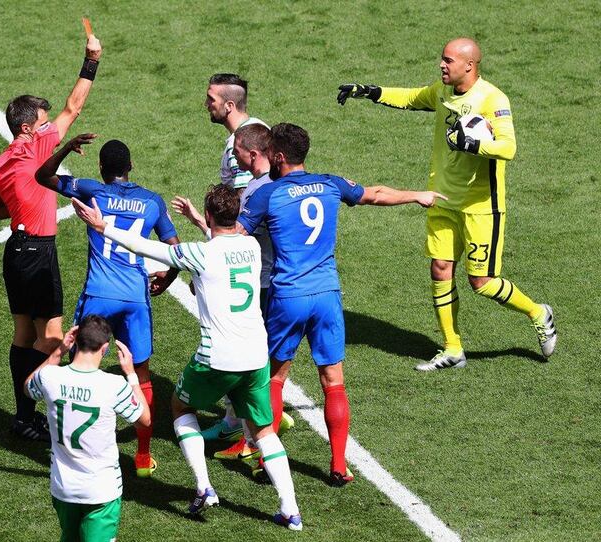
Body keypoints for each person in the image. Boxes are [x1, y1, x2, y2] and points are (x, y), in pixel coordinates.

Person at [72, 185, 303, 530]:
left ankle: (203, 486)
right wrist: (200, 221)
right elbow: (224, 243)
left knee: (180, 408)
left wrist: (104, 227)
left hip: (217, 357)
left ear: (211, 216)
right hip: (256, 356)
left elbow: (146, 246)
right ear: (236, 215)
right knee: (264, 429)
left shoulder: (199, 254)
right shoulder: (252, 247)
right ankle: (290, 509)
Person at [237, 122, 445, 486]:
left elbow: (233, 237)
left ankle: (266, 459)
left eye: (270, 153)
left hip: (288, 296)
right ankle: (338, 466)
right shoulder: (331, 183)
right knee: (333, 382)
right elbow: (376, 194)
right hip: (328, 295)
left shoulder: (266, 194)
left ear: (280, 156)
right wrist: (417, 195)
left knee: (274, 378)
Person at [336, 37, 557, 371]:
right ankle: (453, 348)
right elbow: (411, 98)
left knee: (481, 283)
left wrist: (474, 144)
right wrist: (370, 91)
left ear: (469, 65)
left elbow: (508, 147)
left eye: (449, 61)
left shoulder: (492, 99)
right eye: (442, 58)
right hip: (441, 197)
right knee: (440, 268)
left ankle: (538, 312)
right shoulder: (441, 93)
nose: (442, 65)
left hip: (481, 205)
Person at [35, 135, 180, 477]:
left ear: (101, 168)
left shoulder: (92, 190)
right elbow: (175, 249)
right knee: (140, 373)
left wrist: (66, 148)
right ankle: (143, 457)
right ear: (130, 167)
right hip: (135, 297)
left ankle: (74, 447)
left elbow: (43, 176)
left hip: (99, 294)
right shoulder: (152, 202)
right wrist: (168, 278)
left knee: (80, 367)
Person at [0, 32, 102, 440]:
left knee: (22, 334)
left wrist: (23, 202)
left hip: (15, 251)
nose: (48, 124)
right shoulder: (36, 148)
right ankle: (52, 415)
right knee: (52, 340)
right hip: (37, 251)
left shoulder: (0, 161)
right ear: (27, 128)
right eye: (42, 121)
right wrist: (92, 60)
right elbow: (74, 106)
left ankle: (22, 415)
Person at [172, 123, 294, 465]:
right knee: (254, 360)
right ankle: (234, 425)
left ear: (252, 153)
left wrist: (202, 233)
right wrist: (202, 221)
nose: (231, 156)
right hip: (266, 277)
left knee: (255, 361)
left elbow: (233, 238)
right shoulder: (268, 183)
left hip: (267, 282)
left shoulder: (261, 189)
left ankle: (255, 435)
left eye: (236, 150)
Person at [24, 315, 150, 542]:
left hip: (63, 488)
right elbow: (145, 419)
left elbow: (27, 388)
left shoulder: (50, 376)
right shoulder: (113, 385)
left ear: (75, 341)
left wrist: (58, 352)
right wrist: (131, 374)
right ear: (104, 348)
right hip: (101, 490)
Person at [205, 73, 269, 189]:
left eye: (211, 99)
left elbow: (243, 195)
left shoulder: (239, 145)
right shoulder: (261, 127)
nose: (206, 104)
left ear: (229, 106)